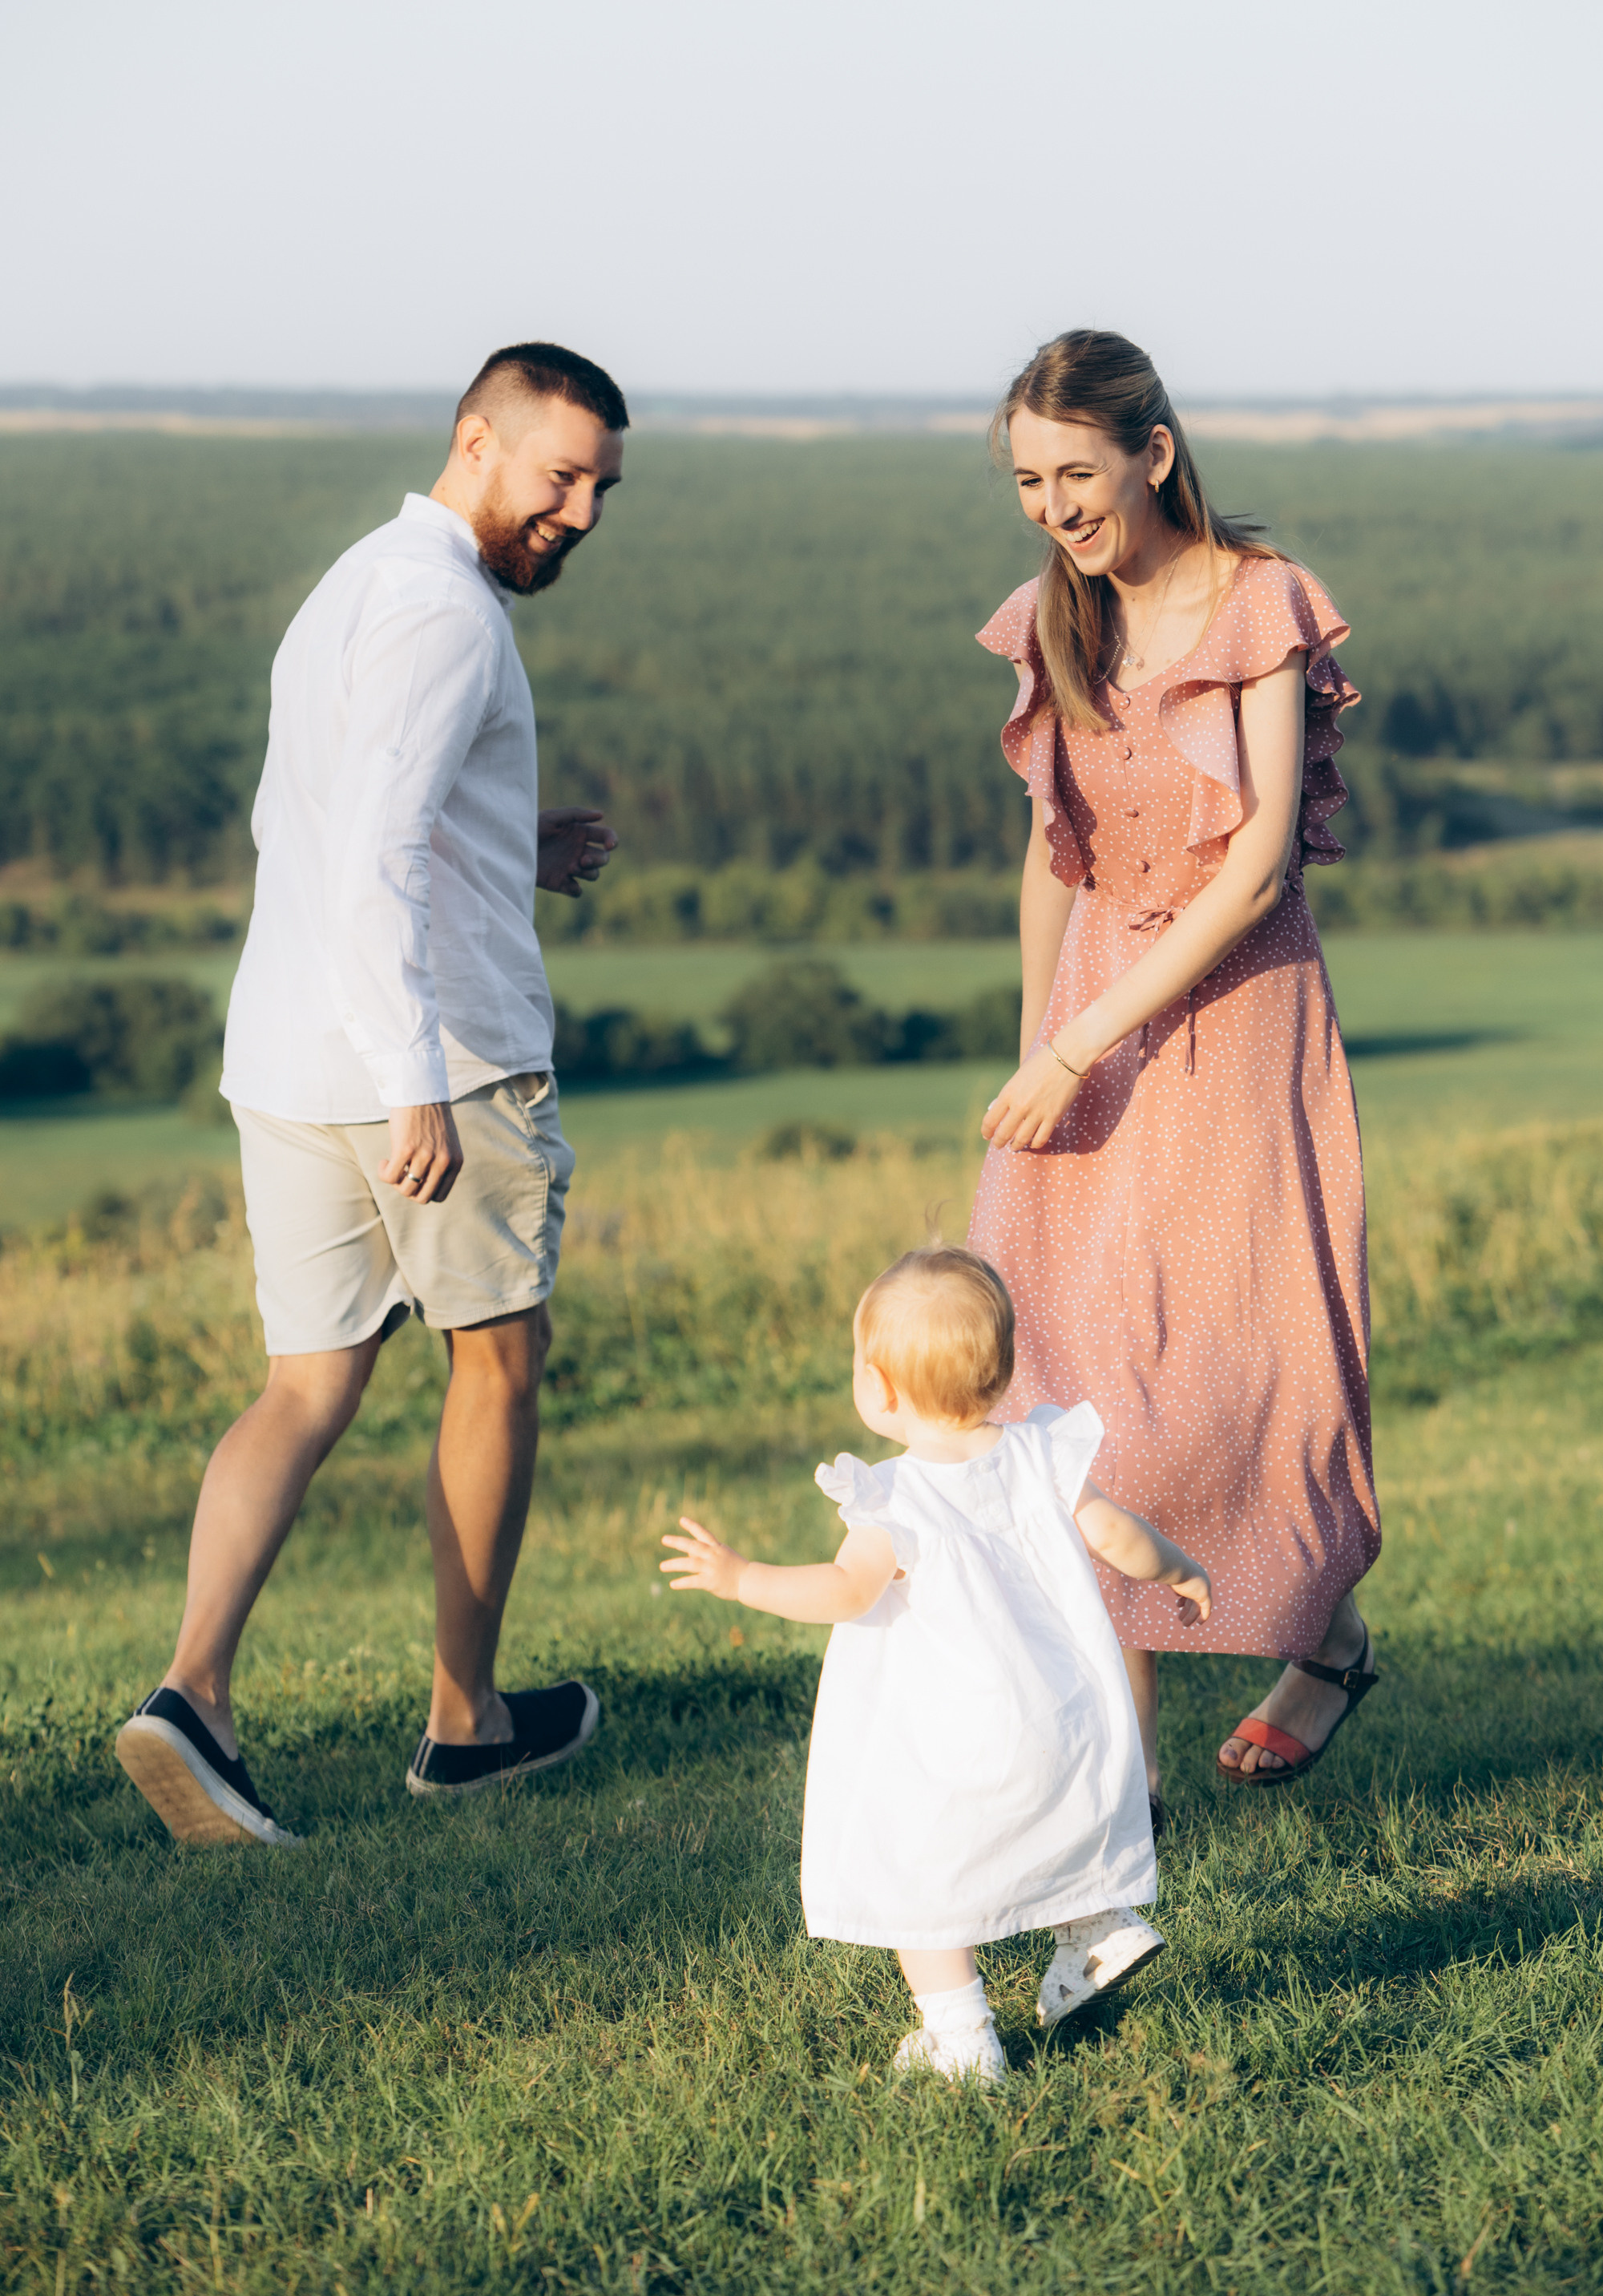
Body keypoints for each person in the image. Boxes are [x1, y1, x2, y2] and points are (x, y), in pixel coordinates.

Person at [116, 342, 628, 1848]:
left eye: (603, 487)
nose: (584, 512)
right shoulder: (452, 619)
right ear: (478, 440)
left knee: (308, 1381)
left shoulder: (356, 581)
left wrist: (511, 842)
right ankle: (466, 1725)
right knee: (498, 1362)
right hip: (435, 1064)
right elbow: (373, 860)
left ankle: (192, 1697)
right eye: (560, 475)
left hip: (282, 1054)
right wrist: (413, 1081)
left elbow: (328, 811)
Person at [967, 329, 1381, 1818]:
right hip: (1090, 998)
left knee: (1211, 1373)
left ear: (1152, 451)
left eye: (1075, 471)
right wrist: (1044, 1043)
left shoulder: (1255, 602)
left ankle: (1318, 1646)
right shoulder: (1051, 620)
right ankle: (1120, 1781)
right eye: (1026, 479)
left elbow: (1259, 856)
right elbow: (1050, 856)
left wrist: (1089, 1037)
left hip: (1232, 1007)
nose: (1053, 505)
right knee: (1069, 1384)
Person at [660, 1247, 1212, 2084]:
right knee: (1050, 1820)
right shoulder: (1038, 1458)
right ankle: (1094, 1929)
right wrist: (1179, 1570)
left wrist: (742, 1579)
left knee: (912, 1867)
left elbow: (846, 1592)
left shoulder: (896, 1498)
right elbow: (1116, 1536)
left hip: (956, 1736)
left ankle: (959, 2036)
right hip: (1064, 1718)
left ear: (878, 1388)